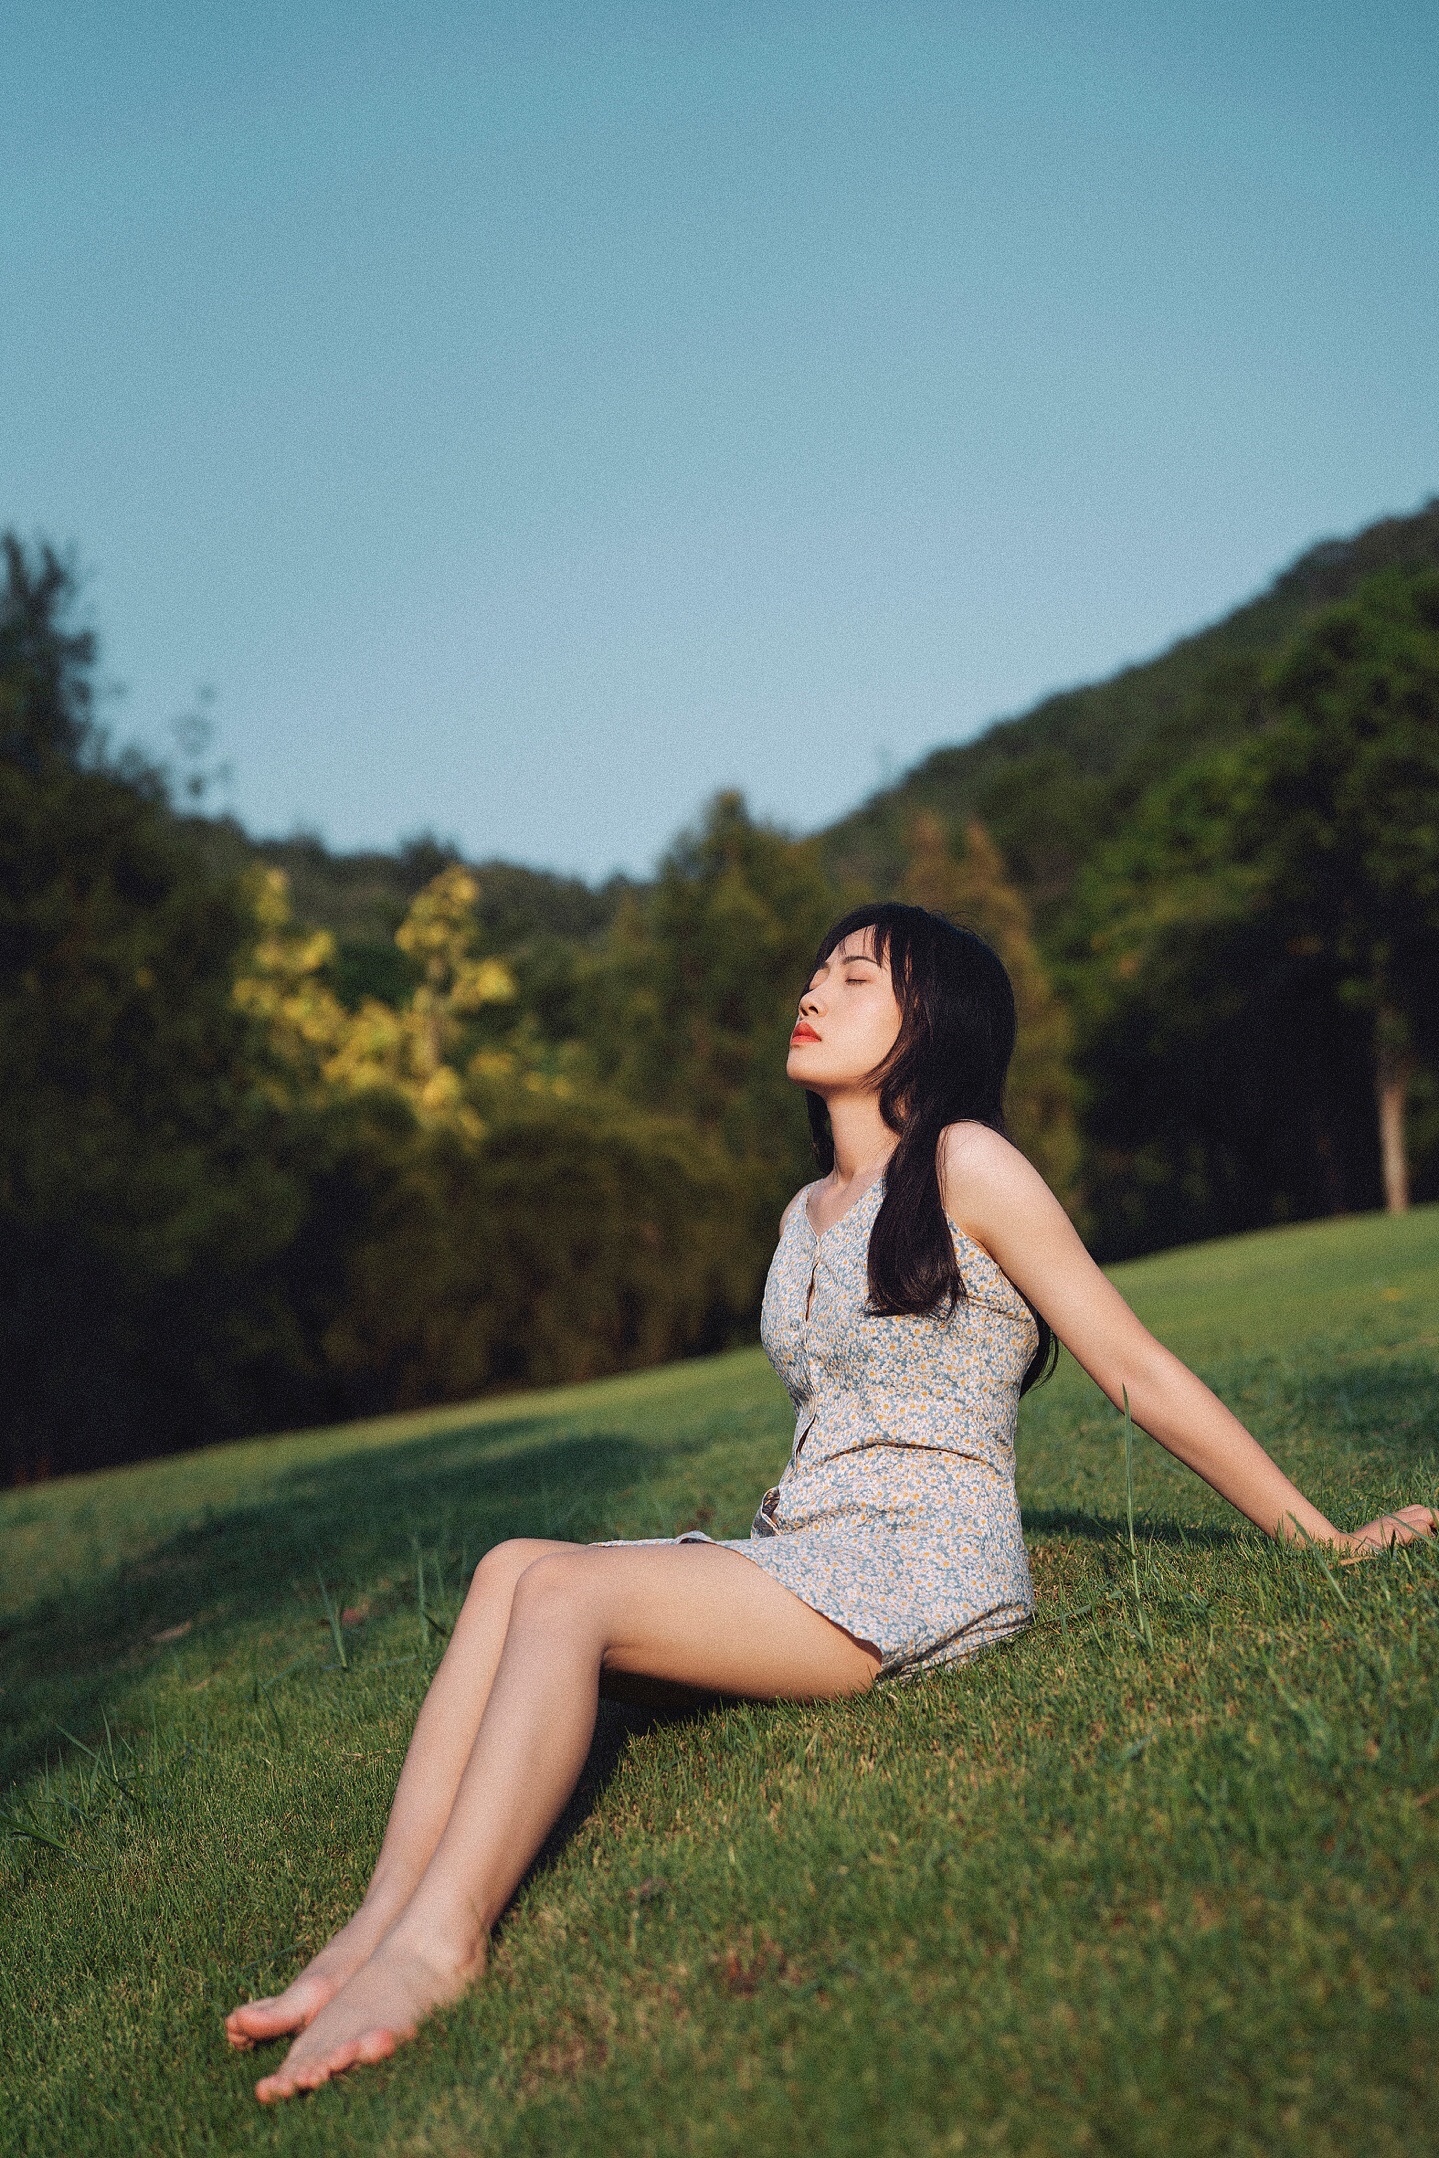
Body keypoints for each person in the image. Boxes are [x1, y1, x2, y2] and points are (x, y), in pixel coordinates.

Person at [226, 903, 1434, 2102]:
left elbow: (1135, 1366)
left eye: (855, 978)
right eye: (817, 971)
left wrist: (1321, 1537)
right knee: (506, 1565)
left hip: (923, 1561)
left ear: (932, 1022)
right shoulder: (801, 1211)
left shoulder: (965, 1162)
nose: (812, 992)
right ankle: (372, 1925)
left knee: (562, 1592)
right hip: (808, 1547)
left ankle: (440, 1944)